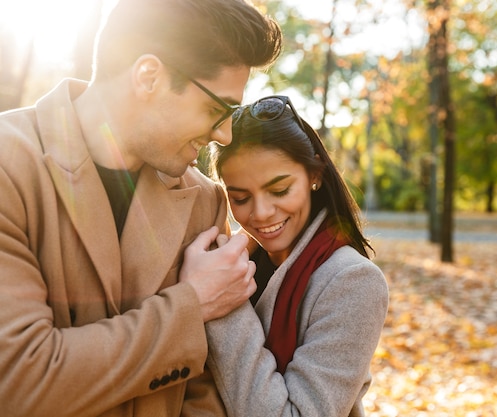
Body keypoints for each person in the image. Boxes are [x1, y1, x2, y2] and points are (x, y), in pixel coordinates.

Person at [0, 1, 282, 416]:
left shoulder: (205, 202)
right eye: (216, 109)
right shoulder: (10, 166)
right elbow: (21, 379)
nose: (224, 134)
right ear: (148, 76)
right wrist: (191, 305)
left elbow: (206, 392)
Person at [203, 95, 389, 416]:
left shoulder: (353, 281)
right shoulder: (231, 259)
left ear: (314, 175)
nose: (261, 213)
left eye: (279, 190)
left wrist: (222, 300)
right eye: (241, 197)